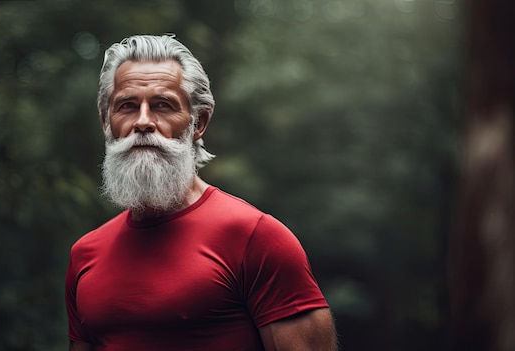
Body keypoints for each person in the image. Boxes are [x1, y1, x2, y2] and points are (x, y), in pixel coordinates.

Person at [65, 34, 338, 351]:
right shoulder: (85, 254)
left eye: (162, 105)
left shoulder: (256, 237)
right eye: (126, 106)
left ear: (199, 122)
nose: (142, 122)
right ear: (105, 121)